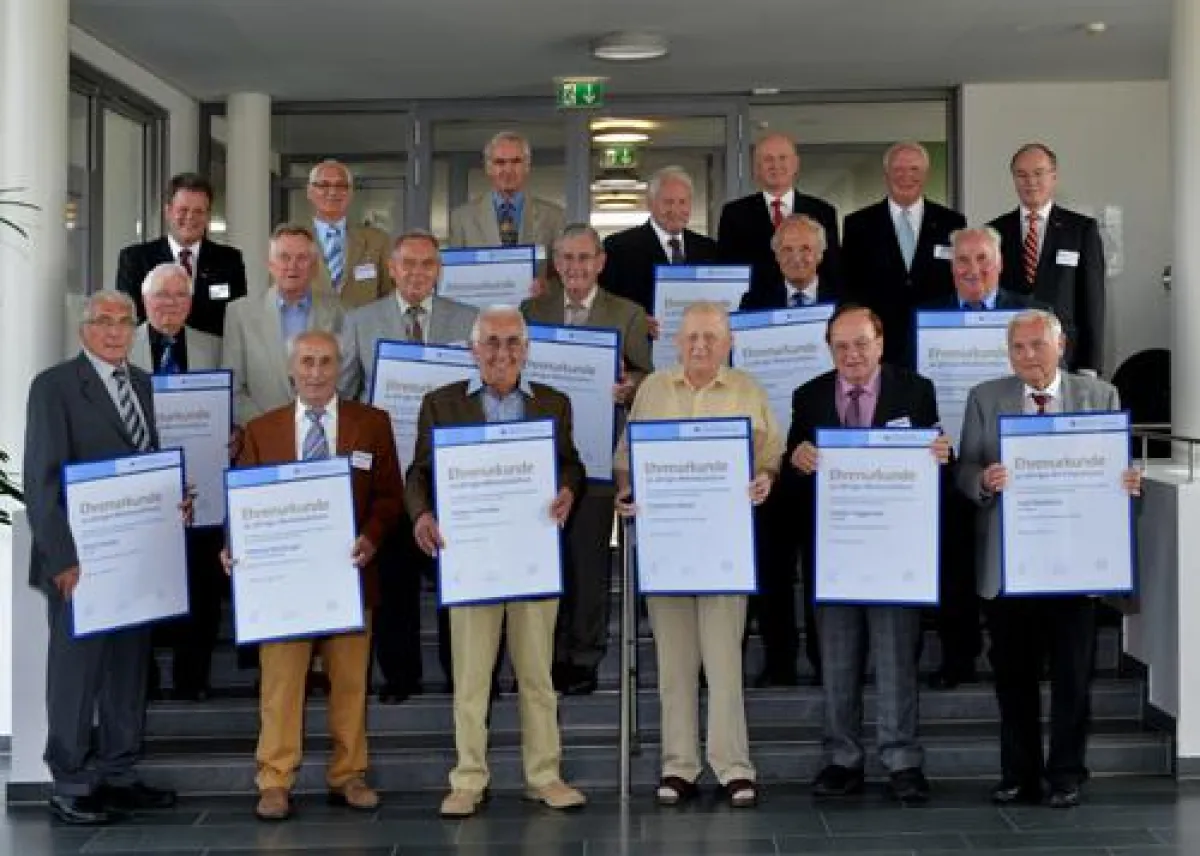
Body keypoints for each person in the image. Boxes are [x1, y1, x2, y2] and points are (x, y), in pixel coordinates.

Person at [406, 306, 587, 818]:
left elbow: (571, 463)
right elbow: (418, 472)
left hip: (532, 561)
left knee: (537, 677)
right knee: (471, 678)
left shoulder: (554, 403)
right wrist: (421, 516)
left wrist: (569, 490)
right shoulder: (441, 404)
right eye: (491, 342)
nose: (502, 352)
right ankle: (467, 780)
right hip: (471, 560)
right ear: (473, 349)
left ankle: (544, 776)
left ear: (526, 350)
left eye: (512, 343)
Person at [957, 308, 1141, 808]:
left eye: (1037, 345)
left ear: (1062, 346)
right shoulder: (985, 397)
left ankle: (1066, 773)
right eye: (1017, 348)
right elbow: (964, 467)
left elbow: (1117, 467)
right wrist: (982, 480)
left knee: (1073, 675)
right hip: (1009, 566)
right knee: (1012, 677)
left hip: (1076, 562)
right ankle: (1018, 774)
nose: (1028, 356)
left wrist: (1128, 480)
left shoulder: (1100, 396)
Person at [225, 330, 404, 821]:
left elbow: (390, 496)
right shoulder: (262, 431)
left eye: (326, 361)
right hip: (284, 587)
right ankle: (276, 780)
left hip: (352, 577)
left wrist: (371, 536)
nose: (317, 372)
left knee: (350, 682)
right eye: (307, 362)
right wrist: (231, 546)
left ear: (340, 367)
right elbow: (242, 504)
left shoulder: (372, 424)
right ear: (291, 369)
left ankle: (349, 775)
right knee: (281, 684)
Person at [615, 301, 783, 809]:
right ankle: (679, 765)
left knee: (724, 660)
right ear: (675, 342)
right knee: (674, 663)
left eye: (711, 337)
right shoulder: (652, 390)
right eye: (691, 337)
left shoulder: (747, 390)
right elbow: (628, 456)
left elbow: (770, 453)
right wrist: (625, 490)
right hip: (667, 546)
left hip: (723, 547)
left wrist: (765, 479)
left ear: (729, 342)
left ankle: (734, 767)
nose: (700, 345)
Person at [24, 290, 183, 825]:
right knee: (76, 674)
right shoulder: (54, 387)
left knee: (126, 670)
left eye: (124, 322)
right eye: (104, 322)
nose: (116, 332)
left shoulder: (140, 383)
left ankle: (119, 773)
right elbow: (40, 483)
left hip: (133, 559)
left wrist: (169, 500)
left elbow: (143, 463)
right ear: (83, 329)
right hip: (80, 564)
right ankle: (70, 781)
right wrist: (61, 558)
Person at [784, 304, 948, 804]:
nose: (851, 354)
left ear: (880, 343)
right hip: (835, 550)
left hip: (895, 550)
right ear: (829, 349)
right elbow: (794, 461)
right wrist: (798, 458)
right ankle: (842, 758)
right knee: (836, 658)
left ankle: (901, 759)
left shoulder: (916, 390)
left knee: (897, 654)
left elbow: (933, 457)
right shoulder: (808, 396)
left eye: (860, 343)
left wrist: (941, 455)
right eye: (841, 346)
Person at [338, 228, 477, 702]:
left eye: (427, 265)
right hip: (389, 472)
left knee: (454, 580)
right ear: (391, 269)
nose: (417, 273)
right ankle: (401, 676)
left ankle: (463, 675)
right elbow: (347, 395)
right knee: (394, 581)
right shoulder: (360, 320)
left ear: (439, 271)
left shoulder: (468, 320)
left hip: (450, 472)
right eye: (408, 265)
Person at [521, 223, 651, 694]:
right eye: (566, 258)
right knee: (546, 560)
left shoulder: (628, 314)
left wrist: (629, 385)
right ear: (555, 264)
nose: (575, 267)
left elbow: (647, 378)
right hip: (542, 458)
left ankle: (584, 654)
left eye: (584, 258)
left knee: (589, 561)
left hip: (597, 455)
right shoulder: (532, 310)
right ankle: (547, 654)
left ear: (600, 262)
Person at [917, 226, 1033, 691]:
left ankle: (1025, 654)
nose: (973, 270)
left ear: (1000, 262)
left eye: (982, 259)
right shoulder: (929, 318)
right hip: (951, 461)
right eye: (962, 261)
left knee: (1018, 557)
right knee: (956, 562)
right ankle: (958, 654)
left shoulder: (1028, 314)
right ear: (951, 267)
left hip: (1017, 464)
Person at [742, 213, 842, 687]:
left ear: (821, 254)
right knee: (774, 566)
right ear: (775, 256)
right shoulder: (752, 305)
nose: (798, 258)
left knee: (823, 566)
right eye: (788, 250)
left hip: (827, 458)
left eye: (806, 250)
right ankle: (779, 659)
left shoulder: (842, 304)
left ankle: (828, 660)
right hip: (772, 457)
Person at [129, 262, 224, 701]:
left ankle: (194, 677)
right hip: (142, 489)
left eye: (179, 295)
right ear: (145, 301)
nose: (170, 303)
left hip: (201, 487)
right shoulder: (122, 345)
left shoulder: (212, 346)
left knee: (202, 582)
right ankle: (142, 675)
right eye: (161, 296)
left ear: (190, 302)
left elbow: (227, 405)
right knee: (144, 581)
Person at [842, 141, 966, 367]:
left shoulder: (953, 223)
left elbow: (959, 280)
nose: (906, 176)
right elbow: (850, 287)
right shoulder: (857, 225)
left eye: (914, 169)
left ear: (926, 174)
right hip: (879, 344)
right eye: (898, 169)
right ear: (886, 174)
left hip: (937, 339)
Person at [989, 143, 1105, 373]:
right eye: (1021, 175)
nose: (1030, 182)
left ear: (1054, 177)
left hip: (1065, 357)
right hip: (1010, 356)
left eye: (1038, 173)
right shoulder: (994, 231)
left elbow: (1093, 303)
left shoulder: (1081, 230)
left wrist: (1090, 365)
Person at [222, 223, 346, 427]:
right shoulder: (240, 314)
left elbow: (345, 380)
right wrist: (270, 428)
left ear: (314, 267)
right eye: (284, 257)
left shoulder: (338, 312)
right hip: (263, 434)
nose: (293, 266)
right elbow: (233, 387)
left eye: (302, 258)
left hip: (323, 431)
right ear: (270, 264)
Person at [115, 172, 247, 337]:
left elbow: (236, 321)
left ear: (208, 216)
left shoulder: (230, 260)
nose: (190, 217)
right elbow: (129, 317)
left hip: (211, 358)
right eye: (183, 210)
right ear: (168, 211)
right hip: (152, 358)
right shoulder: (135, 259)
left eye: (199, 211)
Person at [717, 132, 841, 302]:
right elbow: (728, 271)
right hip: (757, 309)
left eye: (783, 158)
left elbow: (832, 270)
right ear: (756, 168)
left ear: (796, 164)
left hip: (813, 308)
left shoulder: (823, 212)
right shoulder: (734, 214)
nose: (776, 165)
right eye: (768, 159)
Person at [598, 165, 718, 316]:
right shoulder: (618, 248)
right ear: (650, 204)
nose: (675, 210)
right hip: (641, 338)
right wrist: (637, 322)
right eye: (668, 202)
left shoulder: (708, 248)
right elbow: (606, 305)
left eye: (682, 202)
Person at [449, 130, 565, 258]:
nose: (508, 170)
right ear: (488, 168)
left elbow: (560, 273)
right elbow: (455, 274)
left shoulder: (554, 217)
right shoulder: (462, 219)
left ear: (527, 166)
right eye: (500, 162)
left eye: (516, 161)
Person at [307, 159, 394, 309]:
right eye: (324, 185)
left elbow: (390, 296)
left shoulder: (377, 240)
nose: (333, 192)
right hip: (310, 331)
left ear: (350, 193)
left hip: (363, 330)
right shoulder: (291, 241)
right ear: (310, 191)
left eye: (341, 186)